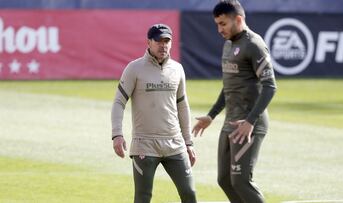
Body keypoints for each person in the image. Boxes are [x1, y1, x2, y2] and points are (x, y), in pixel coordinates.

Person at [192, 1, 277, 202]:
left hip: (249, 124)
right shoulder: (228, 45)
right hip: (230, 123)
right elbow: (229, 87)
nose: (219, 29)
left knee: (241, 181)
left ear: (238, 19)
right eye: (217, 24)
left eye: (223, 24)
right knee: (224, 180)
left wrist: (250, 121)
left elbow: (270, 86)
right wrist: (211, 115)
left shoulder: (254, 45)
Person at [111, 23, 197, 203]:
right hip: (145, 144)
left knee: (189, 193)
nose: (163, 45)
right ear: (149, 42)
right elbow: (119, 102)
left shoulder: (178, 69)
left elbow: (183, 106)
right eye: (158, 41)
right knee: (143, 197)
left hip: (175, 143)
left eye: (167, 41)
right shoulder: (134, 68)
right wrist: (117, 134)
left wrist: (188, 142)